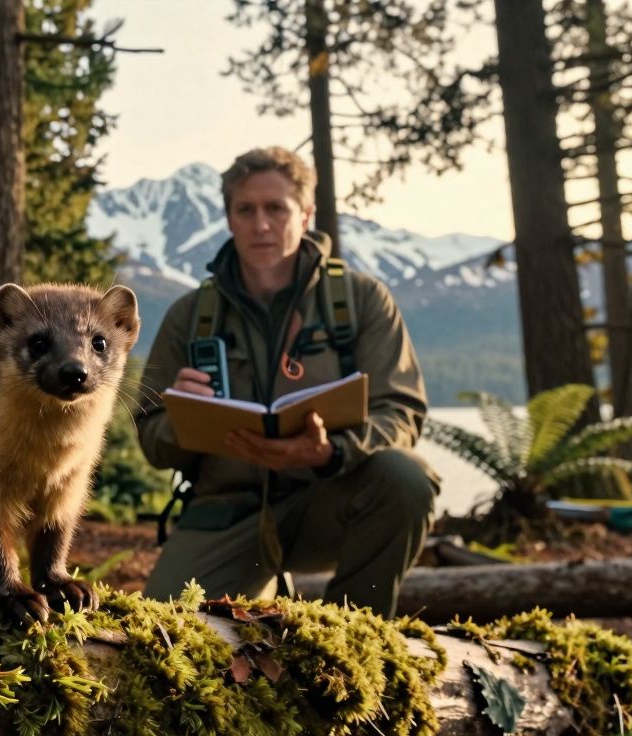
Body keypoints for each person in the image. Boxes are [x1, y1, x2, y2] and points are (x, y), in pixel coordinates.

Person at [135, 146, 438, 618]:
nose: (261, 224)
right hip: (224, 515)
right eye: (246, 210)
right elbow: (152, 441)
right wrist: (181, 418)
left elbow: (400, 411)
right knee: (155, 638)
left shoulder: (359, 300)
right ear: (229, 218)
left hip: (328, 501)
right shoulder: (189, 316)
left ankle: (357, 637)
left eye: (276, 208)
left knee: (406, 479)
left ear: (306, 213)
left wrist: (331, 452)